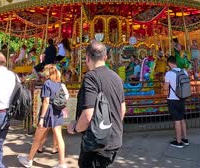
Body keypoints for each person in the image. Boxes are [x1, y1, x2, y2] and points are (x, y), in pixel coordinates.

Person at [68, 40, 126, 168]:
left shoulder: (91, 77)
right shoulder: (116, 77)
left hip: (96, 143)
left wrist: (75, 127)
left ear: (87, 58)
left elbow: (88, 115)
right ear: (105, 57)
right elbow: (122, 110)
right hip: (114, 140)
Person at [18, 64, 68, 168]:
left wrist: (41, 118)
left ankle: (29, 160)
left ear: (47, 72)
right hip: (57, 112)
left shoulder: (47, 83)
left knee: (37, 138)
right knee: (59, 137)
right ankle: (62, 163)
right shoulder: (58, 84)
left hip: (48, 113)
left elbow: (46, 101)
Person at [164, 55, 189, 148]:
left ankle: (178, 142)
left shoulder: (169, 74)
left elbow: (165, 87)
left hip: (173, 99)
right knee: (182, 118)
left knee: (177, 121)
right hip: (182, 98)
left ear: (169, 63)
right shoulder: (184, 71)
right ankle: (185, 139)